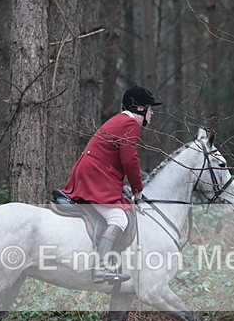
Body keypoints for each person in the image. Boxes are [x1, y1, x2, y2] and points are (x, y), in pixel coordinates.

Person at [61, 86, 161, 283]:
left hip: (94, 174)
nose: (153, 112)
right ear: (140, 108)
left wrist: (125, 185)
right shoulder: (130, 123)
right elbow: (129, 160)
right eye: (150, 108)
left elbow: (116, 160)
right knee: (119, 219)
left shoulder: (120, 121)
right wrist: (138, 190)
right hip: (95, 177)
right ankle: (101, 267)